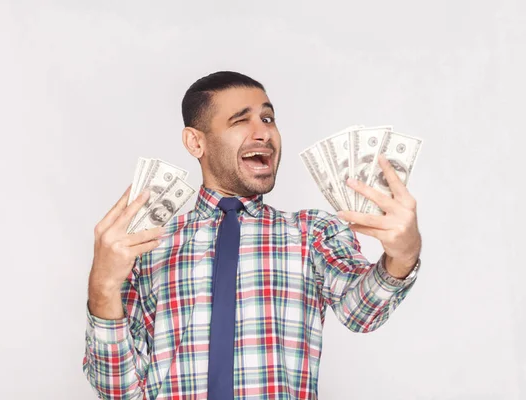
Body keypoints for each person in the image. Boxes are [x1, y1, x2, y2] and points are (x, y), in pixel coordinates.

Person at [82, 71, 422, 399]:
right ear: (195, 141)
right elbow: (118, 391)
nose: (264, 134)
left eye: (269, 119)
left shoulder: (312, 233)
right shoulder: (147, 245)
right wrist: (102, 286)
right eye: (241, 120)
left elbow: (361, 312)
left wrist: (402, 256)